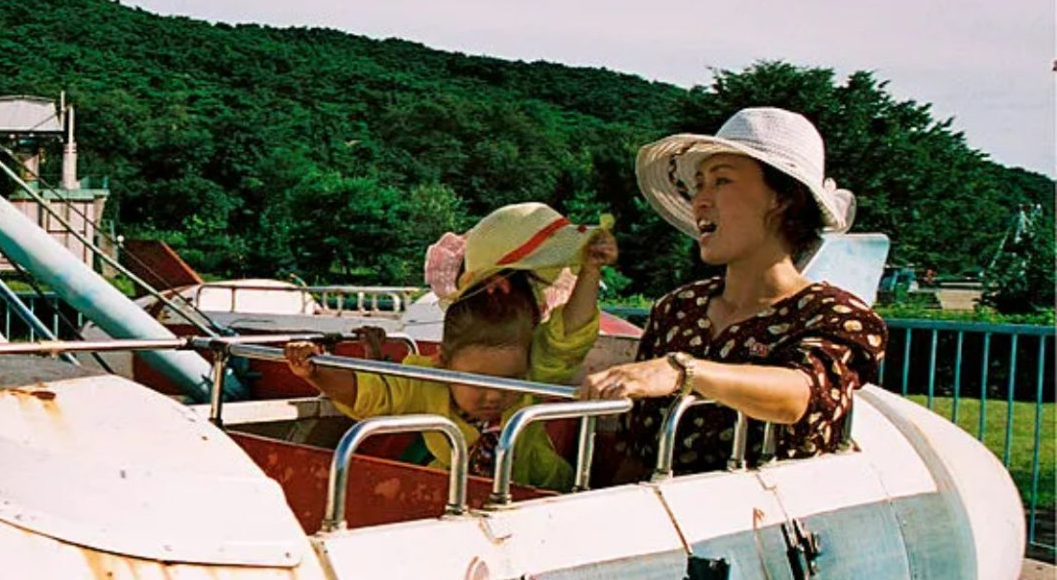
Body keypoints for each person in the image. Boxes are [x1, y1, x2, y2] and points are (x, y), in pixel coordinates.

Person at [578, 108, 887, 476]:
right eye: (698, 184)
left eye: (721, 181)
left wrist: (683, 372)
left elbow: (801, 393)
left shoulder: (838, 316)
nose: (700, 201)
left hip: (766, 522)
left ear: (782, 198)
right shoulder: (678, 308)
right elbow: (638, 450)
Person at [285, 202, 617, 491]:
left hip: (536, 489)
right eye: (478, 380)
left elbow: (569, 335)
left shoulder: (536, 364)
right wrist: (315, 370)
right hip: (450, 490)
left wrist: (590, 270)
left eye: (509, 380)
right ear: (444, 362)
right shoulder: (426, 380)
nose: (494, 396)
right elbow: (372, 392)